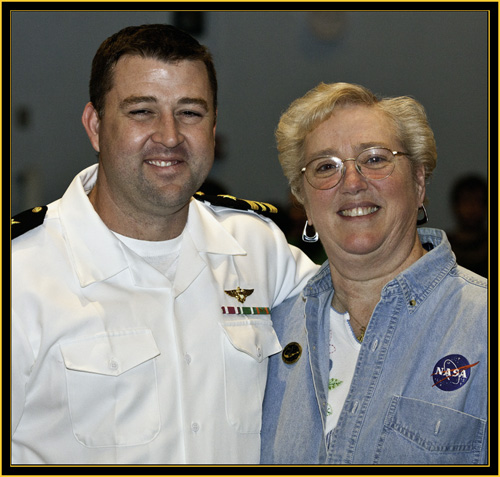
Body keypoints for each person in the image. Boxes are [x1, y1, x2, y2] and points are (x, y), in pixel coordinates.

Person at [11, 24, 318, 465]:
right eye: (142, 111)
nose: (170, 136)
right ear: (96, 126)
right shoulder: (22, 274)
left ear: (213, 130)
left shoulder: (257, 247)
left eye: (190, 113)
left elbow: (355, 324)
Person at [260, 82, 488, 465]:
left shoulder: (483, 325)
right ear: (304, 201)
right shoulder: (271, 333)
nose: (351, 182)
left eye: (376, 159)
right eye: (325, 166)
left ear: (418, 183)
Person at [447, 175, 488, 277]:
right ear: (456, 205)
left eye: (477, 201)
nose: (472, 208)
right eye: (466, 201)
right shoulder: (443, 246)